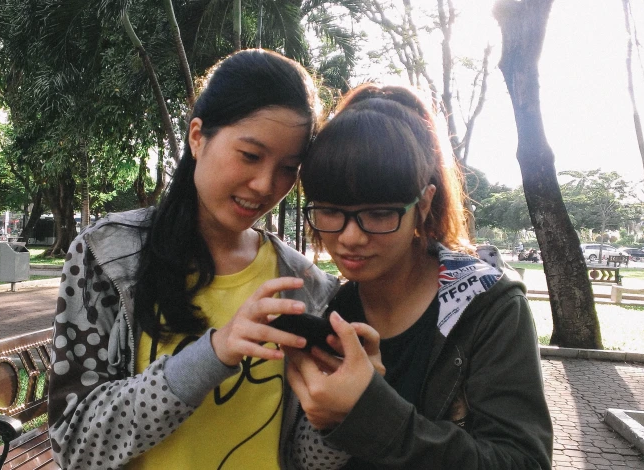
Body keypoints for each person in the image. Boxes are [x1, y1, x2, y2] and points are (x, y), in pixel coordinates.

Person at [47, 49, 347, 470]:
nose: (265, 185)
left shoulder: (302, 284)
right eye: (250, 155)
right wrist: (213, 355)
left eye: (288, 168)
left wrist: (337, 418)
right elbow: (75, 444)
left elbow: (302, 458)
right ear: (197, 136)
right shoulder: (108, 253)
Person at [285, 84, 553, 469]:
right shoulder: (332, 308)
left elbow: (522, 461)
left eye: (378, 214)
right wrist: (328, 421)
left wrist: (370, 413)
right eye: (330, 211)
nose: (349, 237)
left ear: (423, 204)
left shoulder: (487, 308)